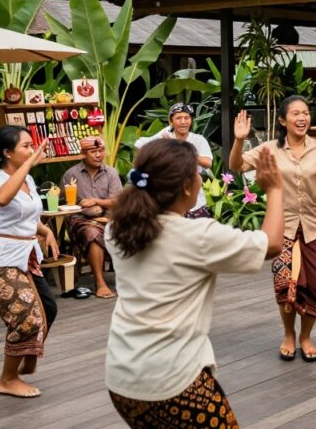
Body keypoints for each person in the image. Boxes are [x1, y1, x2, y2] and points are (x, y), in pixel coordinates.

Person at [105, 139, 285, 428]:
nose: (201, 180)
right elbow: (272, 244)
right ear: (187, 187)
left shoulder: (116, 228)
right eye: (197, 174)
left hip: (122, 377)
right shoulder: (196, 236)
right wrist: (274, 189)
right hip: (174, 382)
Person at [229, 95, 316, 362]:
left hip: (314, 226)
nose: (302, 118)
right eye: (295, 113)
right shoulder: (269, 149)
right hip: (281, 228)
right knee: (285, 284)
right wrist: (239, 140)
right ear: (283, 121)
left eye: (305, 113)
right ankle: (289, 334)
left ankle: (306, 336)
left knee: (315, 286)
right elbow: (236, 165)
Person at [0, 125, 60, 399]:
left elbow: (28, 216)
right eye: (25, 146)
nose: (31, 150)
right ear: (7, 152)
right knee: (26, 317)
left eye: (31, 145)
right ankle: (7, 379)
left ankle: (27, 355)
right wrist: (28, 165)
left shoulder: (30, 180)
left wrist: (46, 231)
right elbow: (3, 199)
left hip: (26, 255)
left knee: (48, 309)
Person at [61, 136, 122, 299]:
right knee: (92, 233)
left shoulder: (111, 173)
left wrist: (97, 202)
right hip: (81, 219)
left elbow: (118, 201)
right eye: (93, 151)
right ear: (83, 154)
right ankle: (100, 283)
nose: (98, 155)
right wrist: (85, 208)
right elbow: (64, 202)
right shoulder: (71, 174)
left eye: (101, 151)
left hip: (109, 219)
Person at [134, 102, 213, 218]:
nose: (183, 122)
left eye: (187, 118)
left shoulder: (198, 140)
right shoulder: (165, 137)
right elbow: (139, 144)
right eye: (178, 118)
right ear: (171, 121)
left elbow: (208, 163)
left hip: (195, 201)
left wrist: (182, 148)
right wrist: (162, 137)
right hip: (169, 200)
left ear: (191, 120)